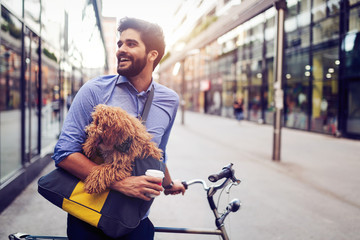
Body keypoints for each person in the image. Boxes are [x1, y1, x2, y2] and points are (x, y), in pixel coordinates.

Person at [52, 17, 186, 240]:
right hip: (88, 218)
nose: (121, 50)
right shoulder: (94, 90)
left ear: (152, 54)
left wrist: (170, 184)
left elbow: (158, 152)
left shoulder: (169, 100)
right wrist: (122, 183)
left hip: (135, 221)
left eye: (131, 44)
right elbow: (64, 153)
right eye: (119, 44)